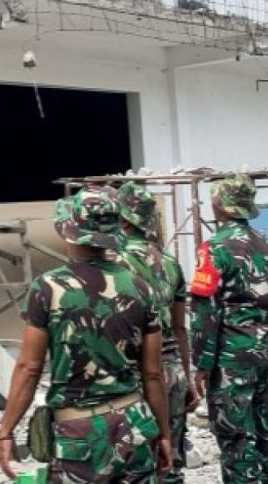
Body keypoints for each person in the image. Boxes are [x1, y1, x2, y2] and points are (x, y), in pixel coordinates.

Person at [0, 186, 172, 483]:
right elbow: (153, 373)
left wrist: (6, 432)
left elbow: (29, 368)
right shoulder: (141, 287)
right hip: (135, 424)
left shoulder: (48, 289)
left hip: (78, 434)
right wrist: (164, 434)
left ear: (69, 232)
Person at [190, 174, 268, 483]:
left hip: (233, 356)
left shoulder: (213, 248)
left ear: (220, 205)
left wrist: (202, 363)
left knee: (235, 434)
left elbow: (205, 312)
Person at [115, 182, 199, 484]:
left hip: (135, 374)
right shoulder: (171, 264)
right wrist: (187, 378)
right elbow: (179, 328)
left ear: (123, 220)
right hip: (171, 371)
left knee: (136, 466)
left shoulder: (115, 265)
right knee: (170, 462)